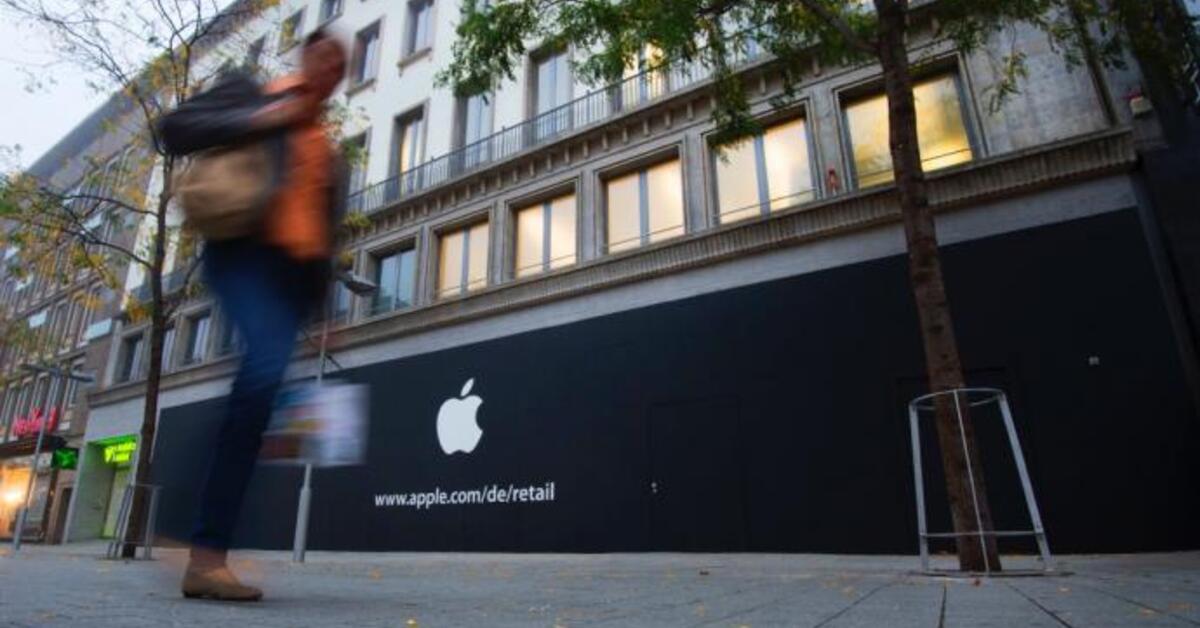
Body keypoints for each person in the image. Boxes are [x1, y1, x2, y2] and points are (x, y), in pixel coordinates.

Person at [159, 29, 348, 602]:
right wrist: (262, 119)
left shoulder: (330, 154)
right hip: (241, 255)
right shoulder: (253, 93)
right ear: (304, 55)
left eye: (340, 66)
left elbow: (323, 236)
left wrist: (319, 313)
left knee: (257, 401)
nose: (330, 69)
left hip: (290, 282)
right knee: (262, 377)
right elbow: (172, 130)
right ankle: (204, 552)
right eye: (324, 55)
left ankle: (201, 548)